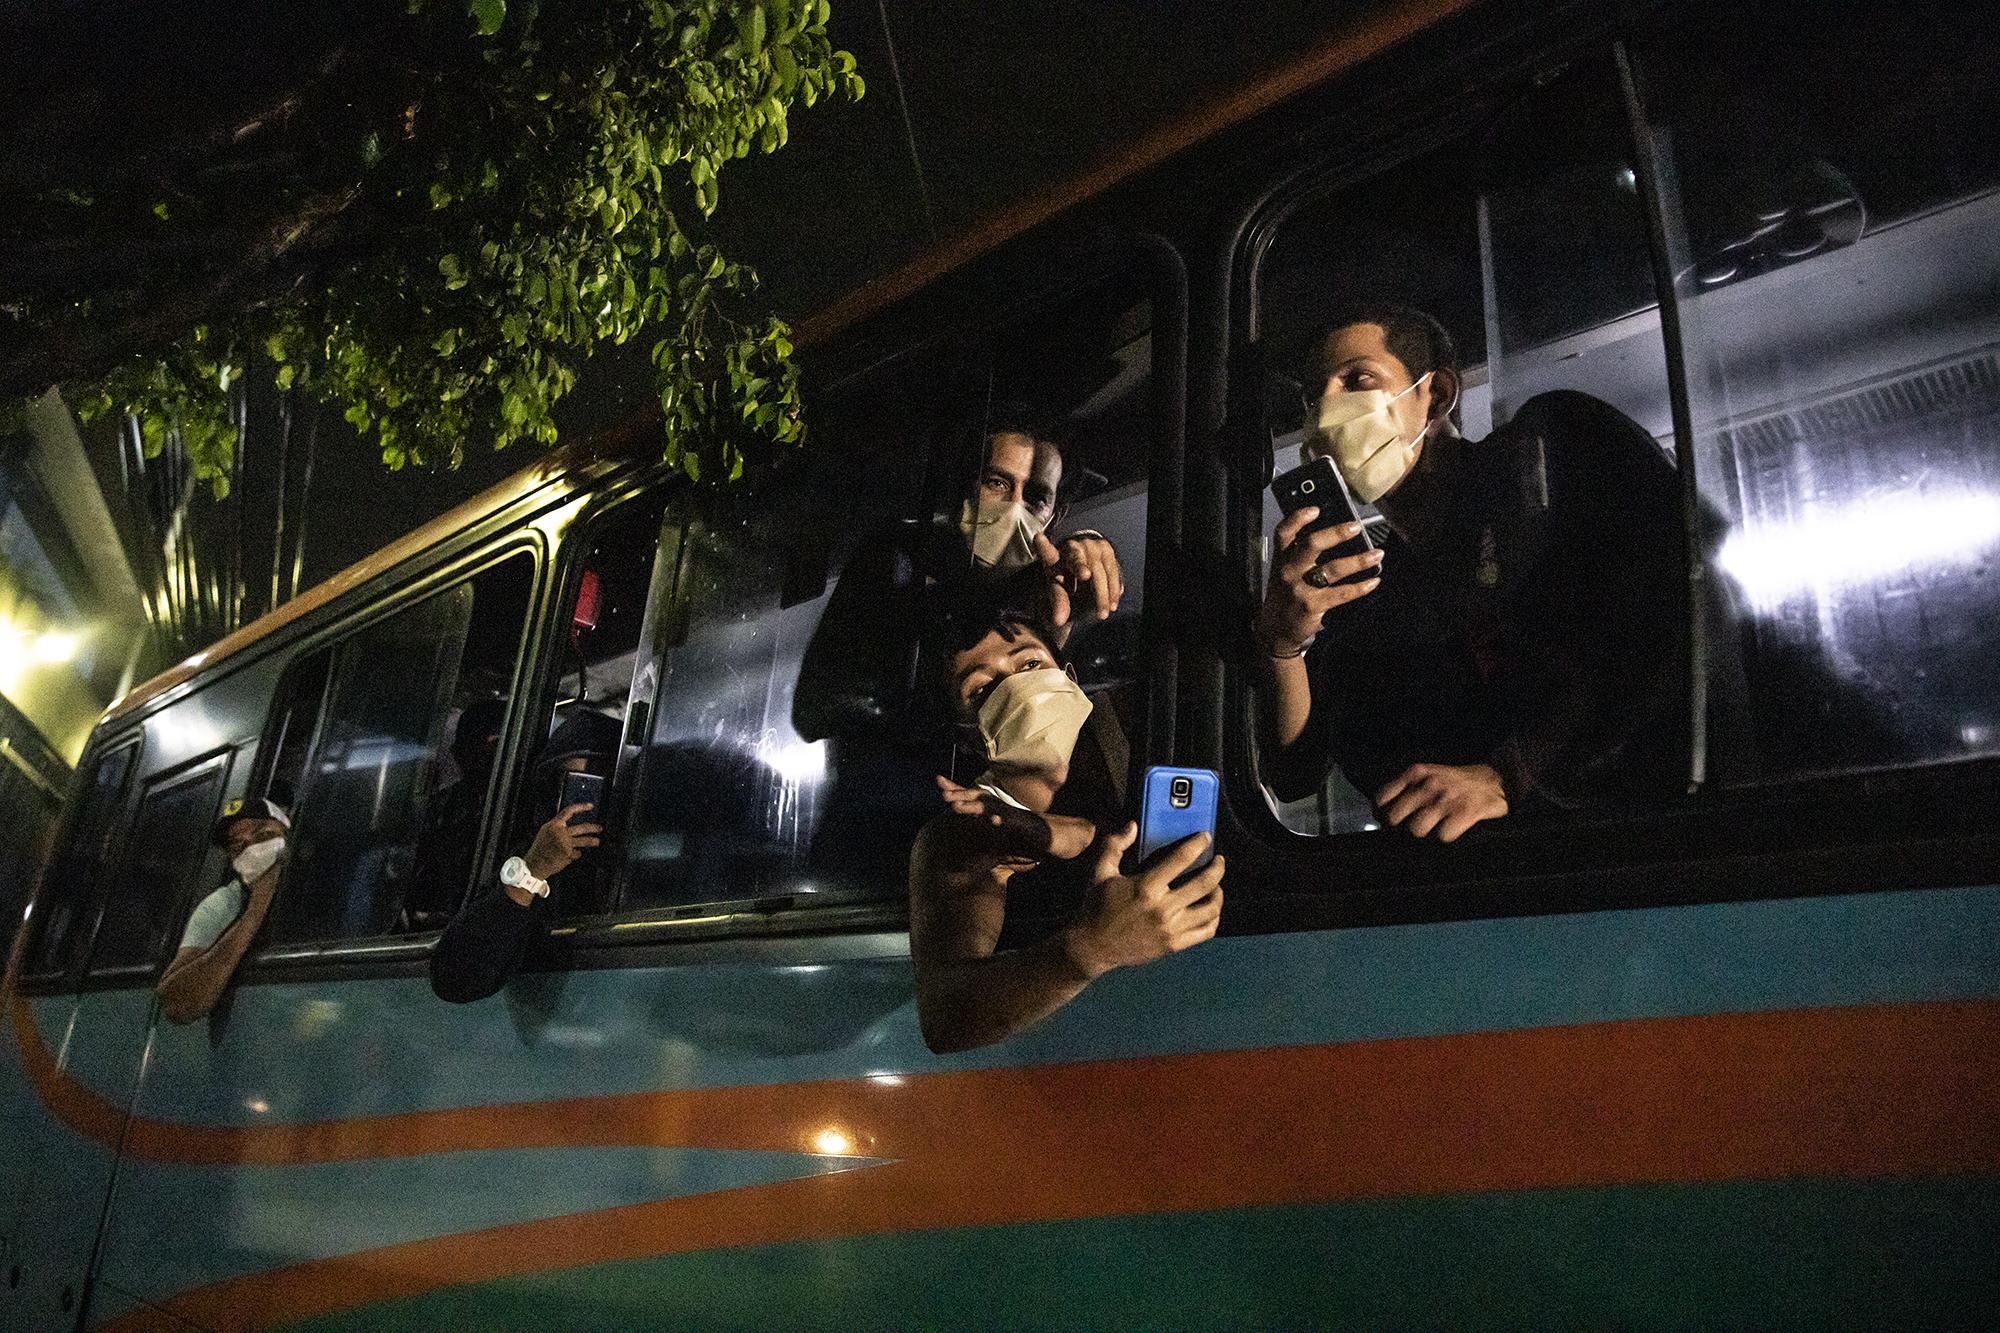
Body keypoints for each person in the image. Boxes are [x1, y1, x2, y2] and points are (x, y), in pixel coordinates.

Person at [1255, 303, 1688, 841]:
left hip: (1637, 838)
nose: (1326, 409)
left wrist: (1512, 773)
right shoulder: (1368, 587)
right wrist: (1283, 644)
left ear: (1435, 395)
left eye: (1357, 380)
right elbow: (1295, 772)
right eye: (1314, 396)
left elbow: (1665, 621)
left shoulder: (1548, 456)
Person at [909, 603, 1223, 1054]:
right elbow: (947, 1018)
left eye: (1032, 665)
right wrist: (1093, 948)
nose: (1019, 688)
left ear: (1070, 679)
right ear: (969, 736)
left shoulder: (1138, 735)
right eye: (983, 690)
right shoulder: (966, 832)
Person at [427, 708, 618, 1003]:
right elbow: (455, 979)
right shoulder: (539, 856)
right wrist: (533, 872)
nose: (582, 804)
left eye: (595, 784)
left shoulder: (645, 852)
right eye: (569, 784)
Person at [157, 794, 291, 1024]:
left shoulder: (319, 885)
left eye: (263, 834)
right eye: (238, 846)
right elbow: (176, 1006)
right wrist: (255, 909)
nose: (251, 850)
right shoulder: (222, 904)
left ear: (287, 833)